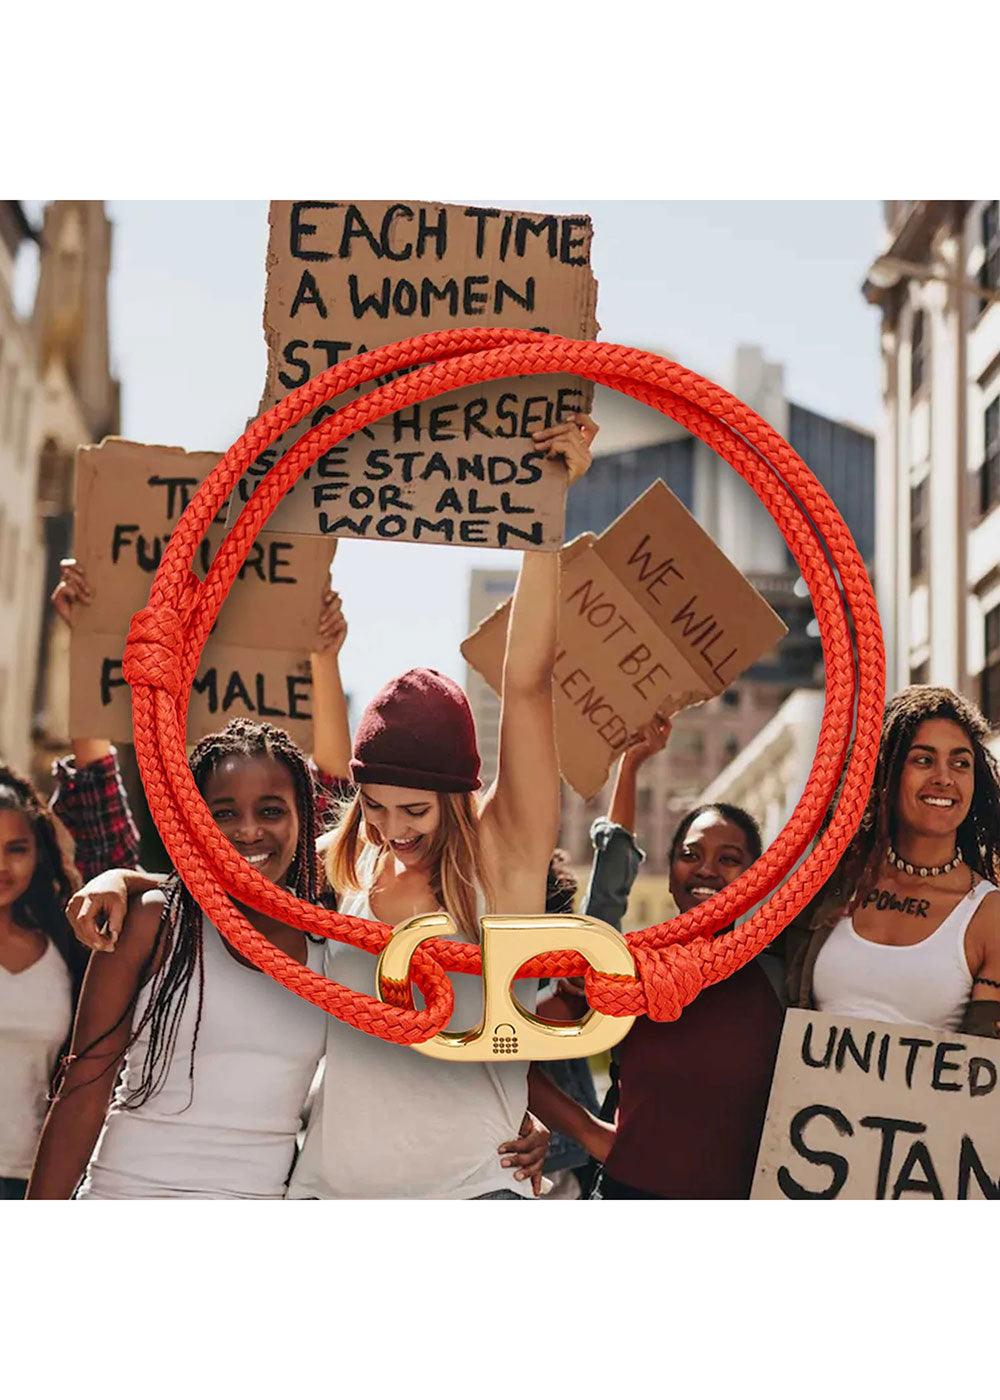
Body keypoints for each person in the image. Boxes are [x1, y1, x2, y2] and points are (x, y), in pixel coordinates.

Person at [63, 413, 597, 1196]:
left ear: (459, 799)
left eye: (415, 812)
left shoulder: (502, 860)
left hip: (468, 1195)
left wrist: (544, 515)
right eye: (376, 806)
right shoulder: (341, 872)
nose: (392, 829)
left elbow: (527, 679)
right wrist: (123, 880)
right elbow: (216, 882)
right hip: (326, 1196)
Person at [27, 719, 332, 1199]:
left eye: (271, 810)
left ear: (304, 820)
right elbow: (83, 1090)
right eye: (225, 813)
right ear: (197, 821)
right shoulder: (152, 922)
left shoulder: (331, 946)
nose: (249, 831)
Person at [527, 716, 785, 1199]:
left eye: (730, 858)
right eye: (691, 854)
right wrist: (587, 1132)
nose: (707, 868)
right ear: (670, 874)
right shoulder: (630, 969)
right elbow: (510, 1045)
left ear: (757, 877)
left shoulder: (782, 976)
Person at [786, 685, 1000, 1039]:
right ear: (887, 772)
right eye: (923, 760)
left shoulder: (989, 915)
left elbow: (984, 1066)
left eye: (960, 764)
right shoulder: (834, 882)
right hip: (809, 1095)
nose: (944, 778)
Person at [0, 767, 87, 1199]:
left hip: (35, 1179)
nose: (1, 866)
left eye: (16, 849)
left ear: (38, 853)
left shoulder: (66, 951)